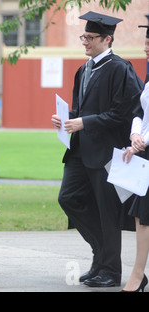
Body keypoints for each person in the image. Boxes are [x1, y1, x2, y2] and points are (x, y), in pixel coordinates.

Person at [51, 11, 144, 287]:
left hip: (107, 152)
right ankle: (101, 254)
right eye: (84, 36)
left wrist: (84, 122)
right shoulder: (84, 70)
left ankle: (110, 271)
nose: (85, 42)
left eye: (90, 38)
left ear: (107, 38)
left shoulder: (120, 69)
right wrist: (66, 117)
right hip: (80, 150)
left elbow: (123, 113)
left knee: (107, 211)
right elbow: (81, 109)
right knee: (69, 198)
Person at [120, 19, 149, 292]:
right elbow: (140, 111)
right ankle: (138, 275)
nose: (146, 49)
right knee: (142, 215)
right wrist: (135, 135)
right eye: (146, 43)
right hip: (145, 151)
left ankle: (138, 276)